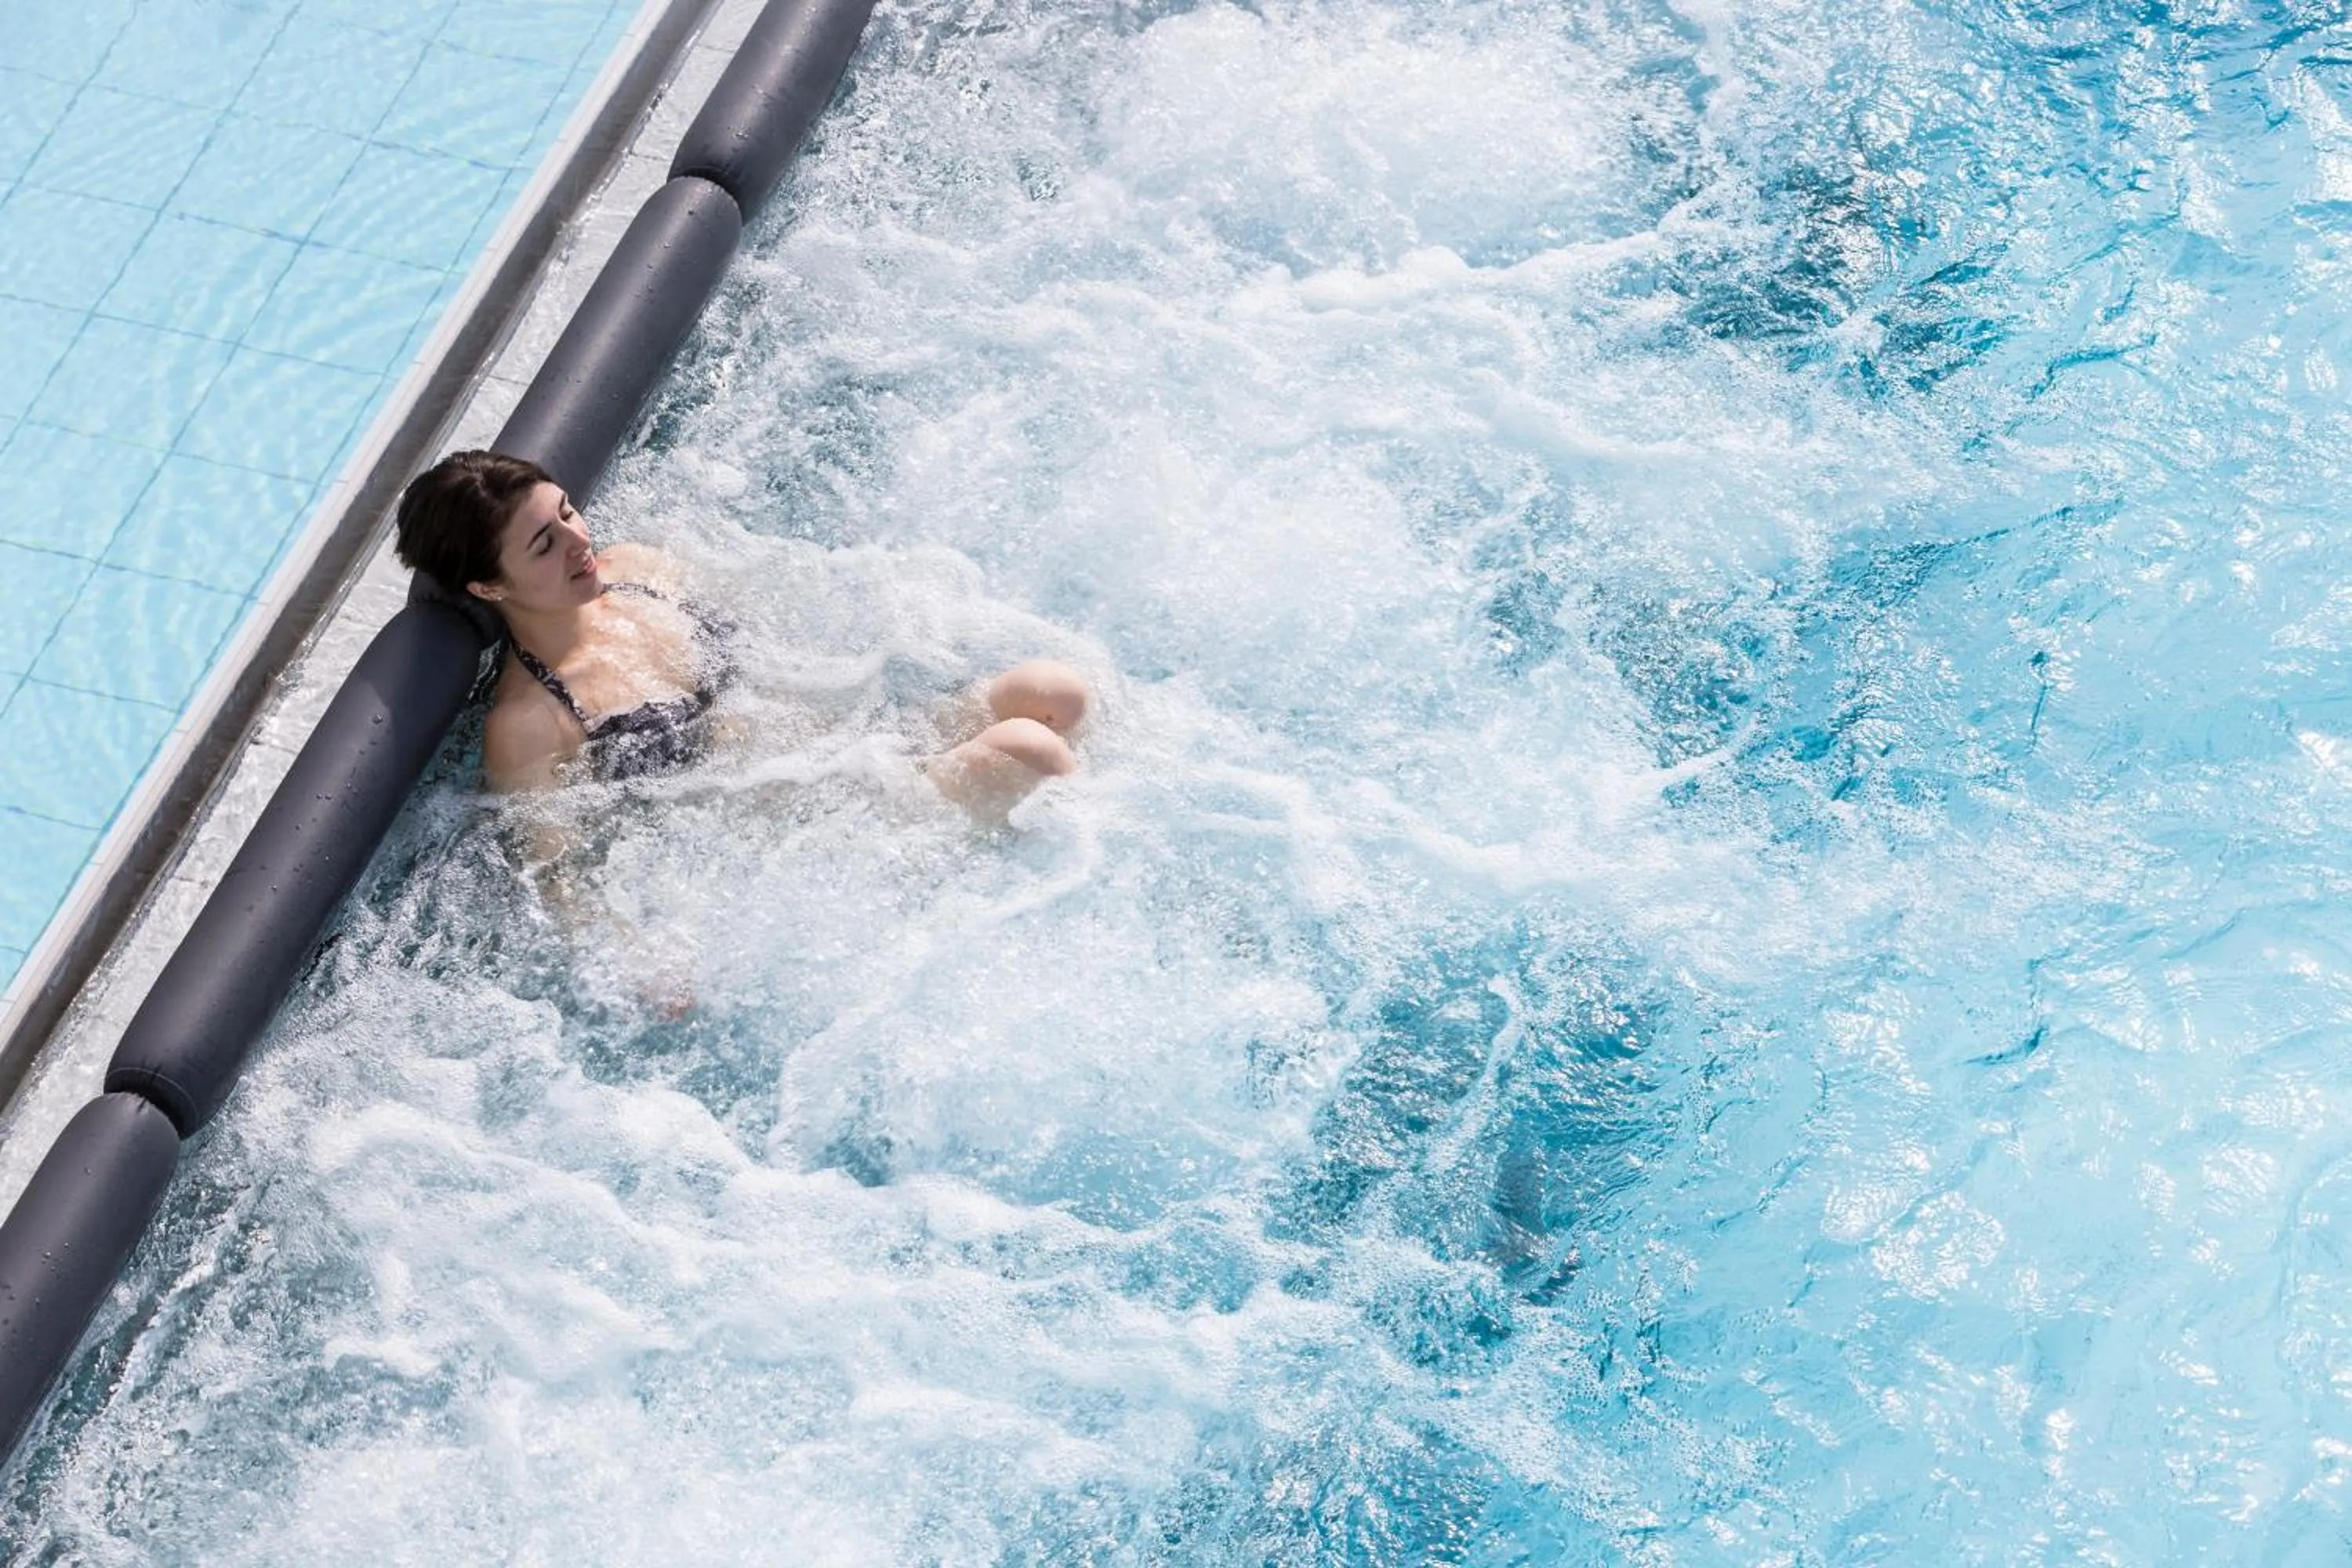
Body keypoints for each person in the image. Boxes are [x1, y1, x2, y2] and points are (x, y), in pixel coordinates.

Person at [392, 449, 1090, 813]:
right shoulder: (530, 721)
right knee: (1029, 747)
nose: (578, 542)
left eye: (569, 512)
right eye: (543, 545)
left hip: (850, 753)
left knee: (1057, 691)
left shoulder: (639, 570)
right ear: (489, 587)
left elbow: (787, 654)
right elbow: (555, 875)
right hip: (807, 827)